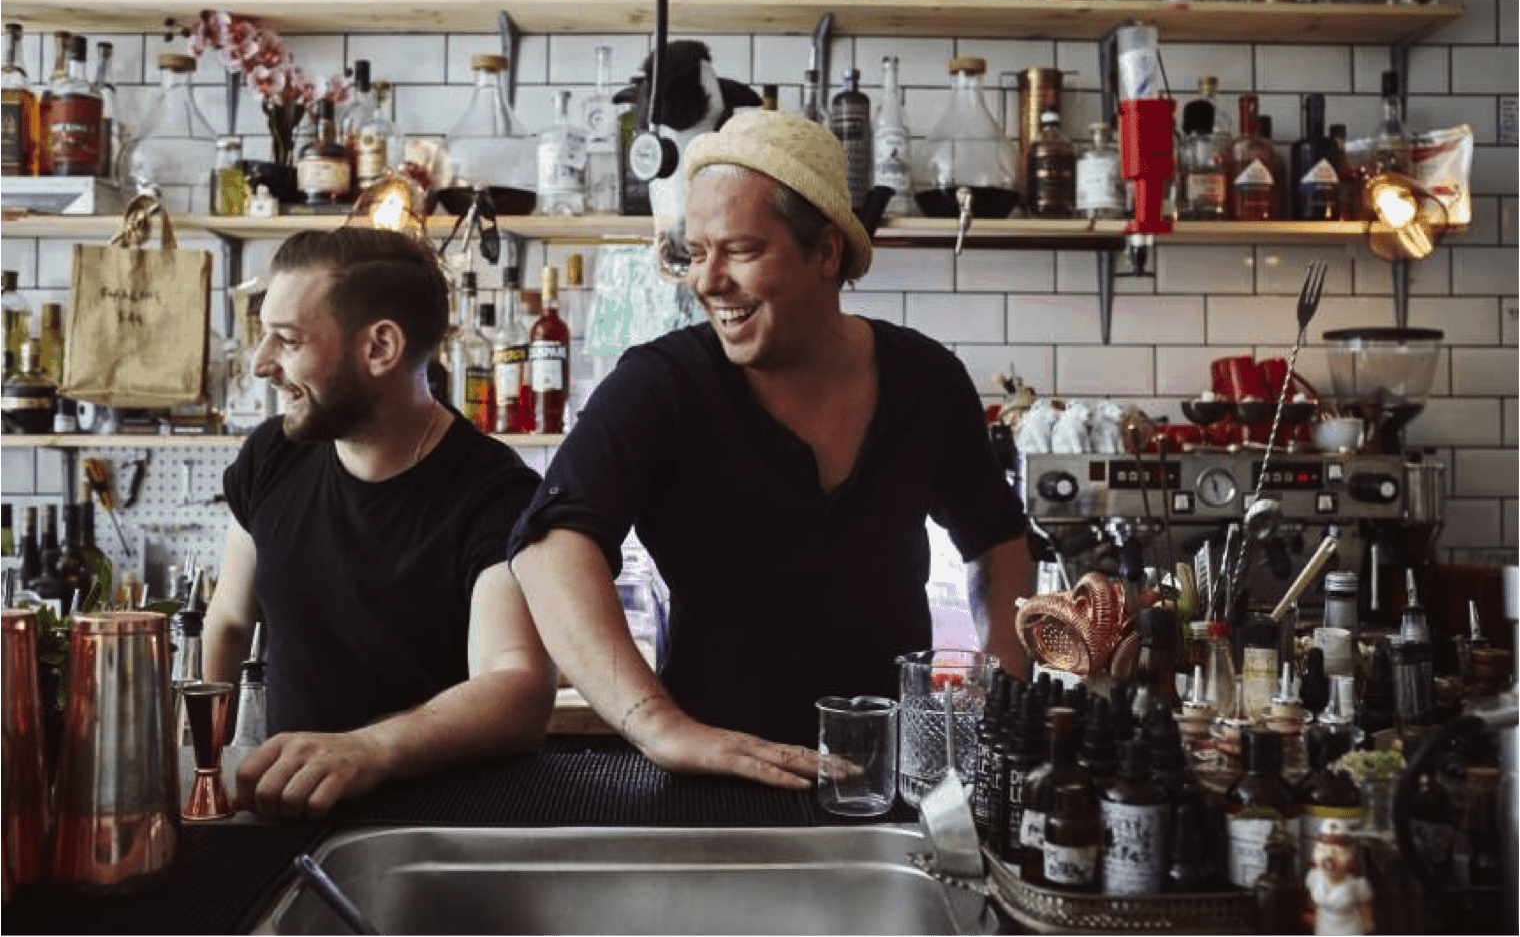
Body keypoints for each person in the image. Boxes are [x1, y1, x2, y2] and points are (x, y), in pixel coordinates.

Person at [509, 110, 1032, 790]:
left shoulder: (926, 380)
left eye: (742, 250)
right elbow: (551, 549)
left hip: (884, 784)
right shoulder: (662, 384)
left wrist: (995, 688)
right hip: (714, 780)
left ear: (826, 253)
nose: (708, 280)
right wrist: (658, 724)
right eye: (695, 254)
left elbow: (997, 542)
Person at [204, 227, 556, 819]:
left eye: (287, 340)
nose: (263, 363)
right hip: (289, 820)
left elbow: (517, 685)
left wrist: (369, 748)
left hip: (437, 832)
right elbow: (230, 624)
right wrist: (200, 767)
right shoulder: (273, 455)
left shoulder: (494, 492)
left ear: (380, 348)